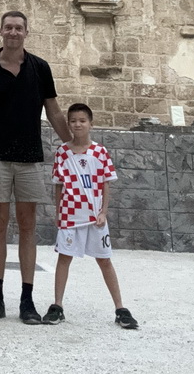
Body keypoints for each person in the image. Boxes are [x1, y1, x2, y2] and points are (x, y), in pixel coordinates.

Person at [0, 11, 69, 325]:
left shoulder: (40, 68)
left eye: (19, 28)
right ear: (0, 31)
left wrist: (71, 146)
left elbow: (54, 111)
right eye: (8, 27)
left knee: (28, 226)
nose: (13, 32)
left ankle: (27, 300)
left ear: (27, 32)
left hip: (29, 158)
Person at [43, 102, 138, 329]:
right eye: (73, 121)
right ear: (68, 124)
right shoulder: (62, 153)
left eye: (82, 120)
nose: (78, 124)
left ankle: (120, 308)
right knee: (64, 258)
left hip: (95, 216)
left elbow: (106, 184)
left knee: (104, 260)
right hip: (70, 214)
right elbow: (58, 185)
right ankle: (57, 305)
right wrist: (58, 211)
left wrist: (104, 211)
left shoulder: (100, 151)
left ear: (91, 124)